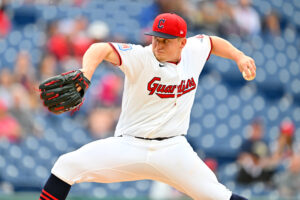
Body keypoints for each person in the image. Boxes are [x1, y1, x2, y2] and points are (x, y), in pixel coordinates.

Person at [39, 13, 256, 200]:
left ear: (182, 42)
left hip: (173, 149)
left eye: (166, 41)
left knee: (219, 196)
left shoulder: (194, 50)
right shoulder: (140, 57)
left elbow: (213, 42)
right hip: (129, 145)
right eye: (156, 39)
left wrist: (239, 56)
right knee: (65, 166)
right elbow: (100, 48)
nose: (158, 45)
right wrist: (86, 73)